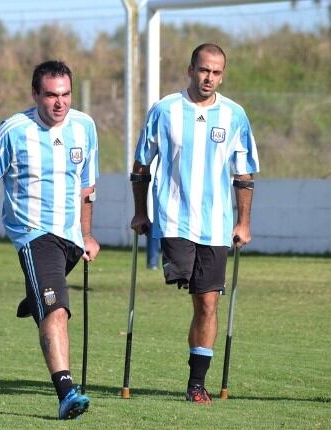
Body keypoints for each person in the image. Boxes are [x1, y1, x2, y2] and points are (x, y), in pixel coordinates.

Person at [0, 60, 99, 420]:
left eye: (66, 94)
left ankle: (34, 295)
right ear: (35, 95)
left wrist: (87, 234)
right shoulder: (13, 130)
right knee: (56, 310)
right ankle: (66, 392)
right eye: (51, 95)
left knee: (46, 297)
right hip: (34, 234)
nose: (60, 103)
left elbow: (87, 188)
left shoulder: (85, 127)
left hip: (70, 237)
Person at [130, 43, 260, 403]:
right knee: (183, 277)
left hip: (216, 226)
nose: (210, 78)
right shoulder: (165, 110)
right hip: (173, 221)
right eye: (204, 70)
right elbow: (141, 166)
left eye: (217, 72)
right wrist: (141, 213)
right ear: (190, 70)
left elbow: (244, 173)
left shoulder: (235, 115)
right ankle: (180, 272)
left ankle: (196, 384)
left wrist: (243, 222)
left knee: (207, 304)